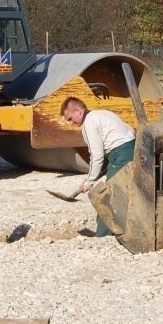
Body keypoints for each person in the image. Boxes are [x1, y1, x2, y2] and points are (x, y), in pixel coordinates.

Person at [60, 96, 136, 237]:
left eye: (70, 118)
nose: (71, 123)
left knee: (106, 196)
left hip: (120, 155)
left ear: (78, 111)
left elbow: (97, 155)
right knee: (123, 192)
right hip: (131, 148)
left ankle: (102, 235)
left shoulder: (89, 123)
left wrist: (89, 181)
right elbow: (130, 130)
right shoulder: (102, 114)